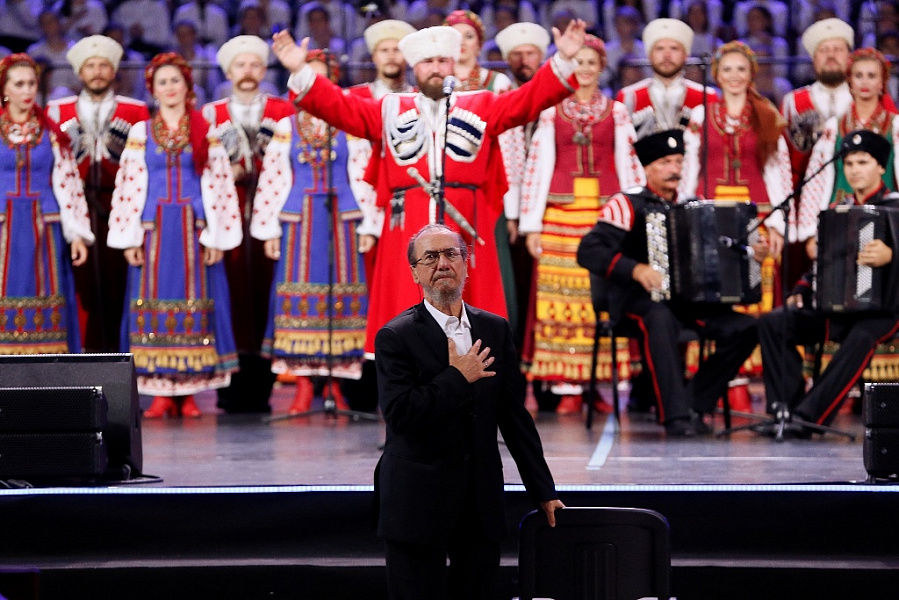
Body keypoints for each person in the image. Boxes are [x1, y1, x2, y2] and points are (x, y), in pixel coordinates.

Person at [272, 20, 588, 356]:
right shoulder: (390, 108)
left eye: (442, 61)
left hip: (465, 217)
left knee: (472, 306)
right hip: (407, 218)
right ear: (415, 67)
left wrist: (563, 60)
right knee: (406, 300)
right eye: (427, 62)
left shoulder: (482, 103)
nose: (435, 69)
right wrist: (300, 71)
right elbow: (340, 107)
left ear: (452, 63)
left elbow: (528, 101)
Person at [374, 223, 563, 599]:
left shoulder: (494, 329)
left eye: (451, 254)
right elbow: (401, 415)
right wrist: (457, 377)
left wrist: (543, 490)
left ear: (466, 264)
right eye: (430, 257)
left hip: (479, 500)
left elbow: (514, 417)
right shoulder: (396, 336)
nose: (442, 263)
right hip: (416, 501)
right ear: (415, 273)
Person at [576, 129, 764, 436]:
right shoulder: (626, 203)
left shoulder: (693, 206)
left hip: (687, 304)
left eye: (678, 162)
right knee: (659, 317)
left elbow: (720, 254)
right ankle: (675, 418)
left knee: (747, 328)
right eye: (665, 163)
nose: (674, 169)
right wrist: (635, 269)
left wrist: (752, 253)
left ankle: (694, 404)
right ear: (647, 168)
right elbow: (589, 251)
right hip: (636, 301)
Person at [108, 52, 241, 418]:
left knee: (197, 301)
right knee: (150, 301)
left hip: (192, 230)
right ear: (153, 89)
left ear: (187, 87)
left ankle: (190, 392)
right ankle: (161, 393)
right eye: (162, 82)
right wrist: (129, 237)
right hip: (153, 230)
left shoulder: (205, 130)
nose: (169, 88)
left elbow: (220, 183)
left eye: (175, 81)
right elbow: (129, 185)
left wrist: (217, 235)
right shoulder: (141, 132)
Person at [519, 34, 644, 415]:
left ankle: (597, 384)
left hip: (605, 217)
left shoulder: (617, 112)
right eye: (578, 62)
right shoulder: (551, 110)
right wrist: (532, 225)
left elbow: (629, 167)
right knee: (561, 298)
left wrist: (634, 216)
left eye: (592, 62)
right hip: (560, 215)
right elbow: (538, 168)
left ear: (602, 67)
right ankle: (567, 386)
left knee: (600, 297)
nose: (585, 69)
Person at [249, 50, 366, 415]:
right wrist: (269, 229)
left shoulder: (349, 123)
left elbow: (362, 175)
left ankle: (335, 384)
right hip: (298, 222)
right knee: (296, 297)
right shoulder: (287, 126)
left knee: (342, 298)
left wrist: (369, 223)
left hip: (342, 220)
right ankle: (301, 386)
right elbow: (272, 179)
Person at [759, 130, 899, 429]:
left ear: (881, 167)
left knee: (861, 336)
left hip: (884, 311)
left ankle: (809, 417)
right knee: (774, 322)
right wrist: (801, 289)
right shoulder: (838, 211)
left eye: (863, 162)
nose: (854, 170)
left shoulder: (895, 208)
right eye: (849, 163)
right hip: (838, 309)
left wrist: (892, 255)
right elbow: (824, 263)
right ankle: (785, 409)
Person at [202, 35, 296, 414]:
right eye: (240, 65)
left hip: (272, 214)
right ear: (228, 72)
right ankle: (231, 385)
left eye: (255, 64)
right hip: (228, 214)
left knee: (270, 293)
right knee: (231, 294)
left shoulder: (283, 110)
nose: (248, 71)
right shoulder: (210, 115)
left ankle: (264, 384)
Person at [47, 35, 150, 353]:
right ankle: (80, 354)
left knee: (120, 280)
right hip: (73, 209)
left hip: (118, 207)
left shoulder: (136, 111)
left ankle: (120, 353)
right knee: (77, 283)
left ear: (114, 71)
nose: (97, 72)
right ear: (80, 72)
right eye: (90, 66)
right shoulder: (57, 111)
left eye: (103, 65)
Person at [681, 41, 791, 314]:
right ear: (717, 74)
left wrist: (778, 224)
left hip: (756, 210)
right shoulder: (701, 114)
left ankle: (755, 339)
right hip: (711, 208)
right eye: (727, 69)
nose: (734, 76)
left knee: (754, 278)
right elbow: (690, 169)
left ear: (751, 73)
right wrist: (684, 213)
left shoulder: (766, 115)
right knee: (714, 276)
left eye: (741, 69)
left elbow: (776, 171)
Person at [0, 53, 93, 354]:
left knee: (48, 289)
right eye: (19, 84)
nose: (27, 90)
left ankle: (48, 364)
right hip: (5, 227)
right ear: (5, 90)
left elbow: (68, 183)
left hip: (44, 227)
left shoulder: (51, 133)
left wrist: (77, 234)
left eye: (31, 84)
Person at [798, 48, 899, 253]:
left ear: (882, 83)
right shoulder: (834, 127)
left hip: (885, 214)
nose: (864, 82)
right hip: (839, 217)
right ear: (849, 81)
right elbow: (815, 180)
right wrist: (811, 232)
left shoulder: (895, 126)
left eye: (872, 76)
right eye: (858, 75)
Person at [616, 18, 718, 137]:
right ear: (649, 55)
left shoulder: (706, 96)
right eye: (660, 48)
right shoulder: (628, 96)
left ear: (686, 55)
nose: (667, 55)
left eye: (674, 48)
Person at [781, 18, 855, 184]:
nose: (831, 55)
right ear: (813, 58)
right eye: (823, 50)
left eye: (838, 49)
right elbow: (783, 155)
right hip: (806, 188)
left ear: (849, 56)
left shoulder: (865, 97)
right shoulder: (792, 101)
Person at [443, 10, 512, 93]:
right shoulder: (437, 81)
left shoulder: (499, 82)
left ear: (479, 44)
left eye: (469, 36)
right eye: (456, 37)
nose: (462, 42)